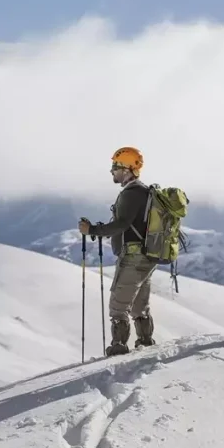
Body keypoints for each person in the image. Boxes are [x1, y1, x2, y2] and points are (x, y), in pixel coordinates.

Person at [78, 146, 157, 355]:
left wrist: (92, 230)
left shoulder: (131, 193)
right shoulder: (144, 192)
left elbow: (122, 224)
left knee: (118, 305)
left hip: (133, 255)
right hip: (146, 255)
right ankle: (145, 341)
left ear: (128, 169)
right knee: (140, 304)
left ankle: (119, 347)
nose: (112, 171)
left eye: (115, 166)